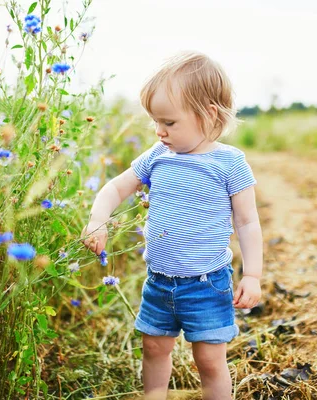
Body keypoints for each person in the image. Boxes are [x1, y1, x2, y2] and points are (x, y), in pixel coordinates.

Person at [81, 51, 263, 400]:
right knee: (153, 348)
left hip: (207, 284)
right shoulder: (157, 156)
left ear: (208, 115)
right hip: (159, 282)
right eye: (155, 122)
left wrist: (252, 274)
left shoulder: (229, 163)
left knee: (209, 359)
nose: (159, 131)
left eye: (169, 122)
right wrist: (96, 220)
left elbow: (247, 222)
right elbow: (116, 186)